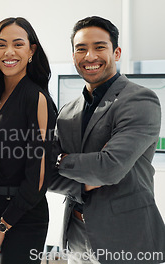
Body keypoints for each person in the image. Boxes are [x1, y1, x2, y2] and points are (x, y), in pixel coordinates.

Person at [49, 16, 165, 263]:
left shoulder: (139, 100)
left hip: (128, 238)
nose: (90, 56)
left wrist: (60, 160)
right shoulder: (66, 112)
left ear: (117, 52)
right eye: (81, 49)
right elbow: (45, 175)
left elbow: (109, 169)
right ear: (73, 57)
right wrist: (81, 176)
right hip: (76, 237)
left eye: (99, 47)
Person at [0, 17, 57, 263]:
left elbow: (38, 178)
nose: (9, 52)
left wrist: (2, 228)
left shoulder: (36, 98)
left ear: (31, 51)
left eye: (18, 44)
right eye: (1, 45)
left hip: (23, 217)